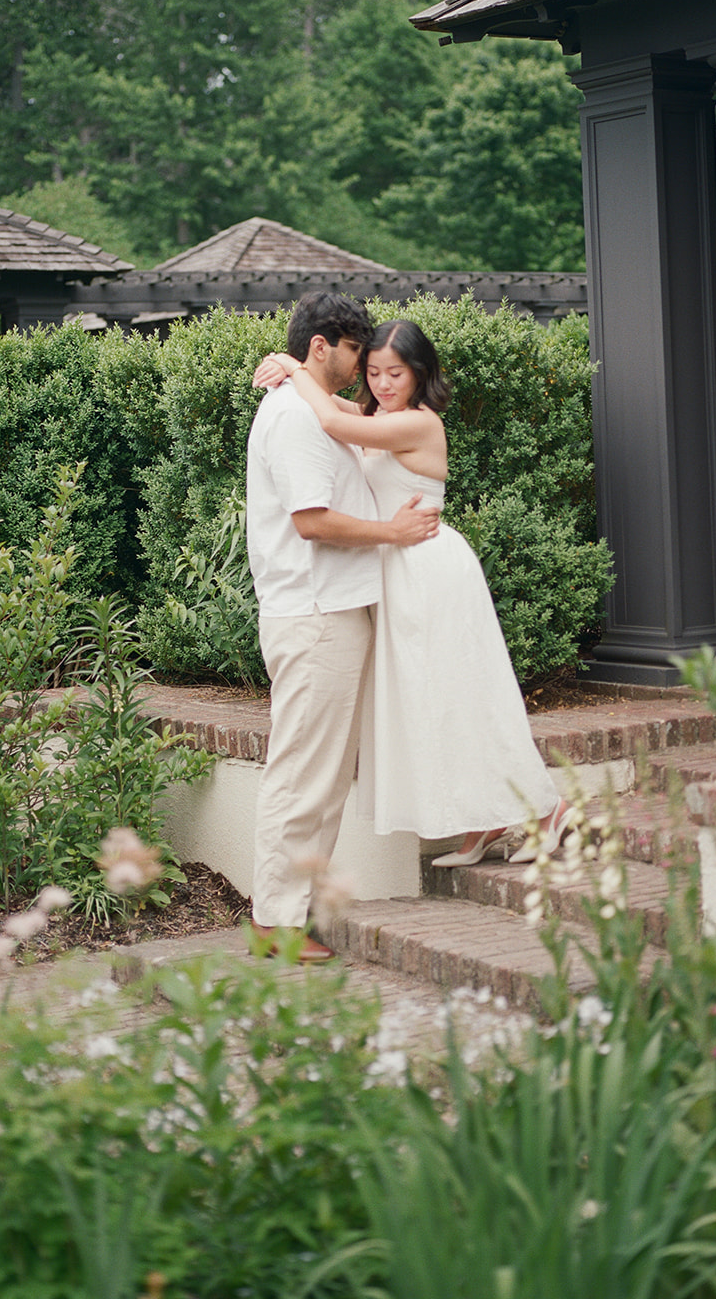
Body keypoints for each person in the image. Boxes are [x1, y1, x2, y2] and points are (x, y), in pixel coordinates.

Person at [255, 319, 575, 866]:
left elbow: (329, 417)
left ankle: (548, 810)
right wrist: (300, 372)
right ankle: (485, 820)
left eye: (395, 373)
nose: (381, 383)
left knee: (463, 694)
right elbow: (338, 412)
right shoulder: (383, 417)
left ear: (420, 373)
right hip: (396, 570)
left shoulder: (418, 424)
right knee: (435, 702)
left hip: (429, 569)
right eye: (373, 371)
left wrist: (291, 366)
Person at [245, 294, 441, 963]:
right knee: (305, 773)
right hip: (316, 613)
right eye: (357, 351)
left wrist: (282, 365)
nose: (364, 368)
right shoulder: (297, 418)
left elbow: (360, 420)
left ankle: (287, 912)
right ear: (323, 346)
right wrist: (392, 532)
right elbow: (312, 519)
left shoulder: (308, 407)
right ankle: (276, 920)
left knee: (320, 775)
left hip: (323, 611)